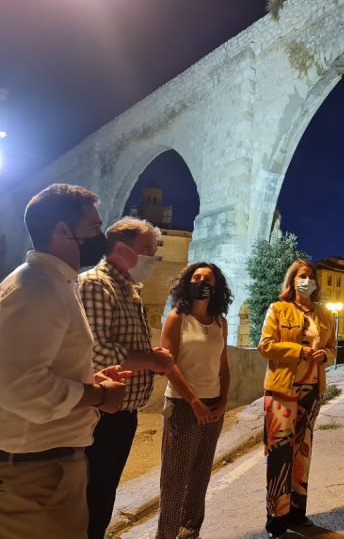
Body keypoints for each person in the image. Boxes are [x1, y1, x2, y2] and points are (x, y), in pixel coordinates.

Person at [0, 183, 129, 538]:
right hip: (32, 477)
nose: (100, 237)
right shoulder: (36, 289)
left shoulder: (52, 284)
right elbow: (22, 389)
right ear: (62, 230)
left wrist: (93, 379)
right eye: (93, 228)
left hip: (43, 471)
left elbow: (37, 369)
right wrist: (99, 396)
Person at [79, 216, 175, 539]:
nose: (154, 258)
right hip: (100, 415)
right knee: (89, 500)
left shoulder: (129, 291)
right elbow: (99, 351)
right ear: (122, 250)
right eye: (148, 250)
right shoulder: (96, 284)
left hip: (122, 417)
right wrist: (151, 359)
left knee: (103, 498)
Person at [258, 259, 336, 539]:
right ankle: (276, 519)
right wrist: (299, 351)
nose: (307, 280)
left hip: (312, 390)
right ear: (291, 281)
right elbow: (265, 346)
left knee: (302, 453)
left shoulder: (325, 315)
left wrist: (323, 355)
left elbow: (332, 349)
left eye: (310, 276)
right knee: (279, 454)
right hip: (282, 390)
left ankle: (297, 513)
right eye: (301, 276)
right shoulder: (278, 309)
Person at [156, 262, 232, 539]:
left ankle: (190, 533)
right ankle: (165, 535)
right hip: (183, 406)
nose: (201, 282)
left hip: (214, 406)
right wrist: (193, 402)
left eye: (207, 278)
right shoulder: (177, 318)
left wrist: (224, 401)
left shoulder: (220, 322)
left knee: (200, 478)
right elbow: (169, 365)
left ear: (216, 286)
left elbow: (223, 367)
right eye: (196, 277)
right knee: (174, 480)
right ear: (186, 283)